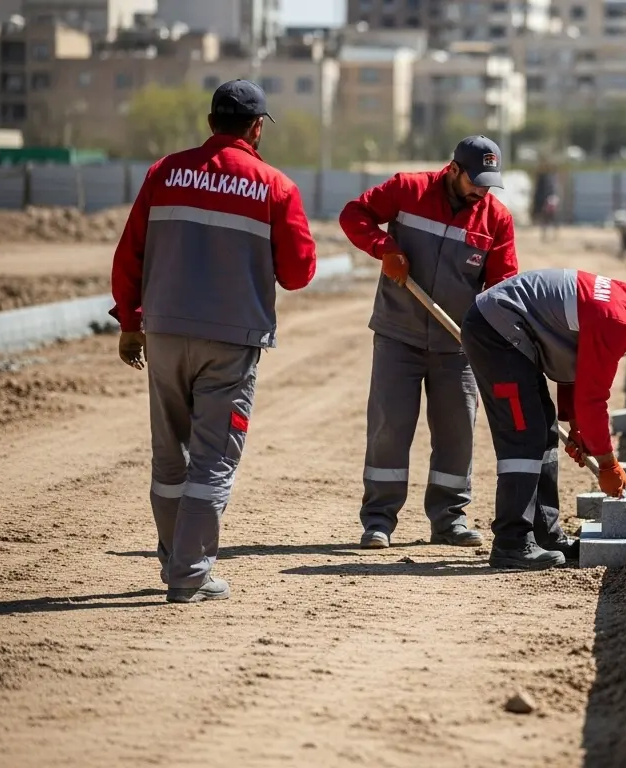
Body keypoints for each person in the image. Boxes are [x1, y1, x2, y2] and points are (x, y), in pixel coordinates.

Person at [110, 79, 317, 603]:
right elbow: (298, 273)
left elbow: (129, 252)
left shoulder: (163, 172)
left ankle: (173, 557)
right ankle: (190, 573)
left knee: (169, 457)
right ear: (255, 128)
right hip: (229, 338)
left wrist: (130, 321)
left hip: (162, 331)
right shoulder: (275, 186)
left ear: (210, 122)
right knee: (212, 461)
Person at [339, 136, 518, 550]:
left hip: (458, 345)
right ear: (453, 169)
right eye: (476, 181)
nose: (482, 190)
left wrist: (496, 337)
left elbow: (504, 285)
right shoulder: (408, 190)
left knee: (458, 433)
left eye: (489, 183)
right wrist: (384, 247)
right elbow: (355, 215)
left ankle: (449, 519)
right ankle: (379, 520)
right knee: (388, 426)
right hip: (397, 334)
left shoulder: (496, 219)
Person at [461, 271, 626, 569]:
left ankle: (546, 535)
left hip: (510, 329)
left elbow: (575, 369)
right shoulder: (617, 320)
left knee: (543, 429)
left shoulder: (621, 304)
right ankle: (512, 542)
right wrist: (608, 463)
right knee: (524, 434)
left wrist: (575, 426)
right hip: (496, 330)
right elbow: (593, 398)